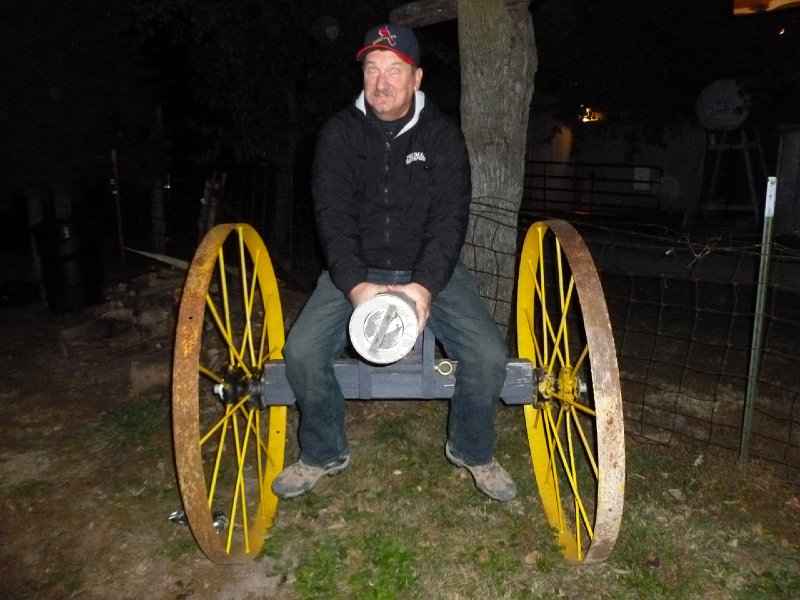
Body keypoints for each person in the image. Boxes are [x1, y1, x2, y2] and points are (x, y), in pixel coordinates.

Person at [272, 23, 516, 502]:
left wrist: (423, 286)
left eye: (395, 70)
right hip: (355, 272)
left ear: (417, 77)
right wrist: (355, 286)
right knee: (299, 353)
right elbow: (332, 218)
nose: (381, 81)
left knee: (489, 357)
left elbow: (450, 219)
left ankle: (472, 449)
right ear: (362, 74)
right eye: (372, 68)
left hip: (429, 273)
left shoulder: (443, 137)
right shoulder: (339, 134)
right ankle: (323, 451)